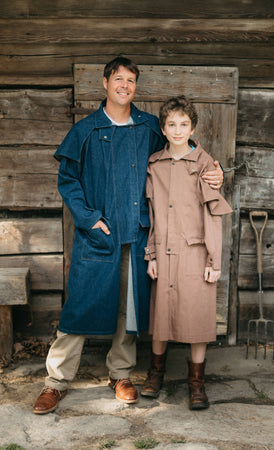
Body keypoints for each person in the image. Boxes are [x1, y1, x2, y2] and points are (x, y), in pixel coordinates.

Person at [33, 58, 224, 414]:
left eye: (131, 80)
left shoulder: (150, 126)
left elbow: (185, 146)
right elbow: (67, 180)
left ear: (136, 86)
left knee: (129, 308)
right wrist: (89, 220)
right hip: (99, 234)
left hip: (137, 233)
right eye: (118, 78)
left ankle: (120, 374)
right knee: (80, 305)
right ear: (105, 83)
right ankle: (55, 381)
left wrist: (217, 172)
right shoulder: (85, 130)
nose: (124, 85)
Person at [141, 96, 232, 410]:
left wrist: (214, 260)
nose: (177, 130)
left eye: (183, 124)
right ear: (163, 129)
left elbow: (213, 214)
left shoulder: (205, 163)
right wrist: (151, 254)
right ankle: (156, 373)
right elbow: (152, 213)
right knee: (161, 316)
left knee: (197, 318)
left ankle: (197, 383)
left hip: (195, 253)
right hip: (163, 251)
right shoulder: (154, 164)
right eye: (171, 124)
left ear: (192, 127)